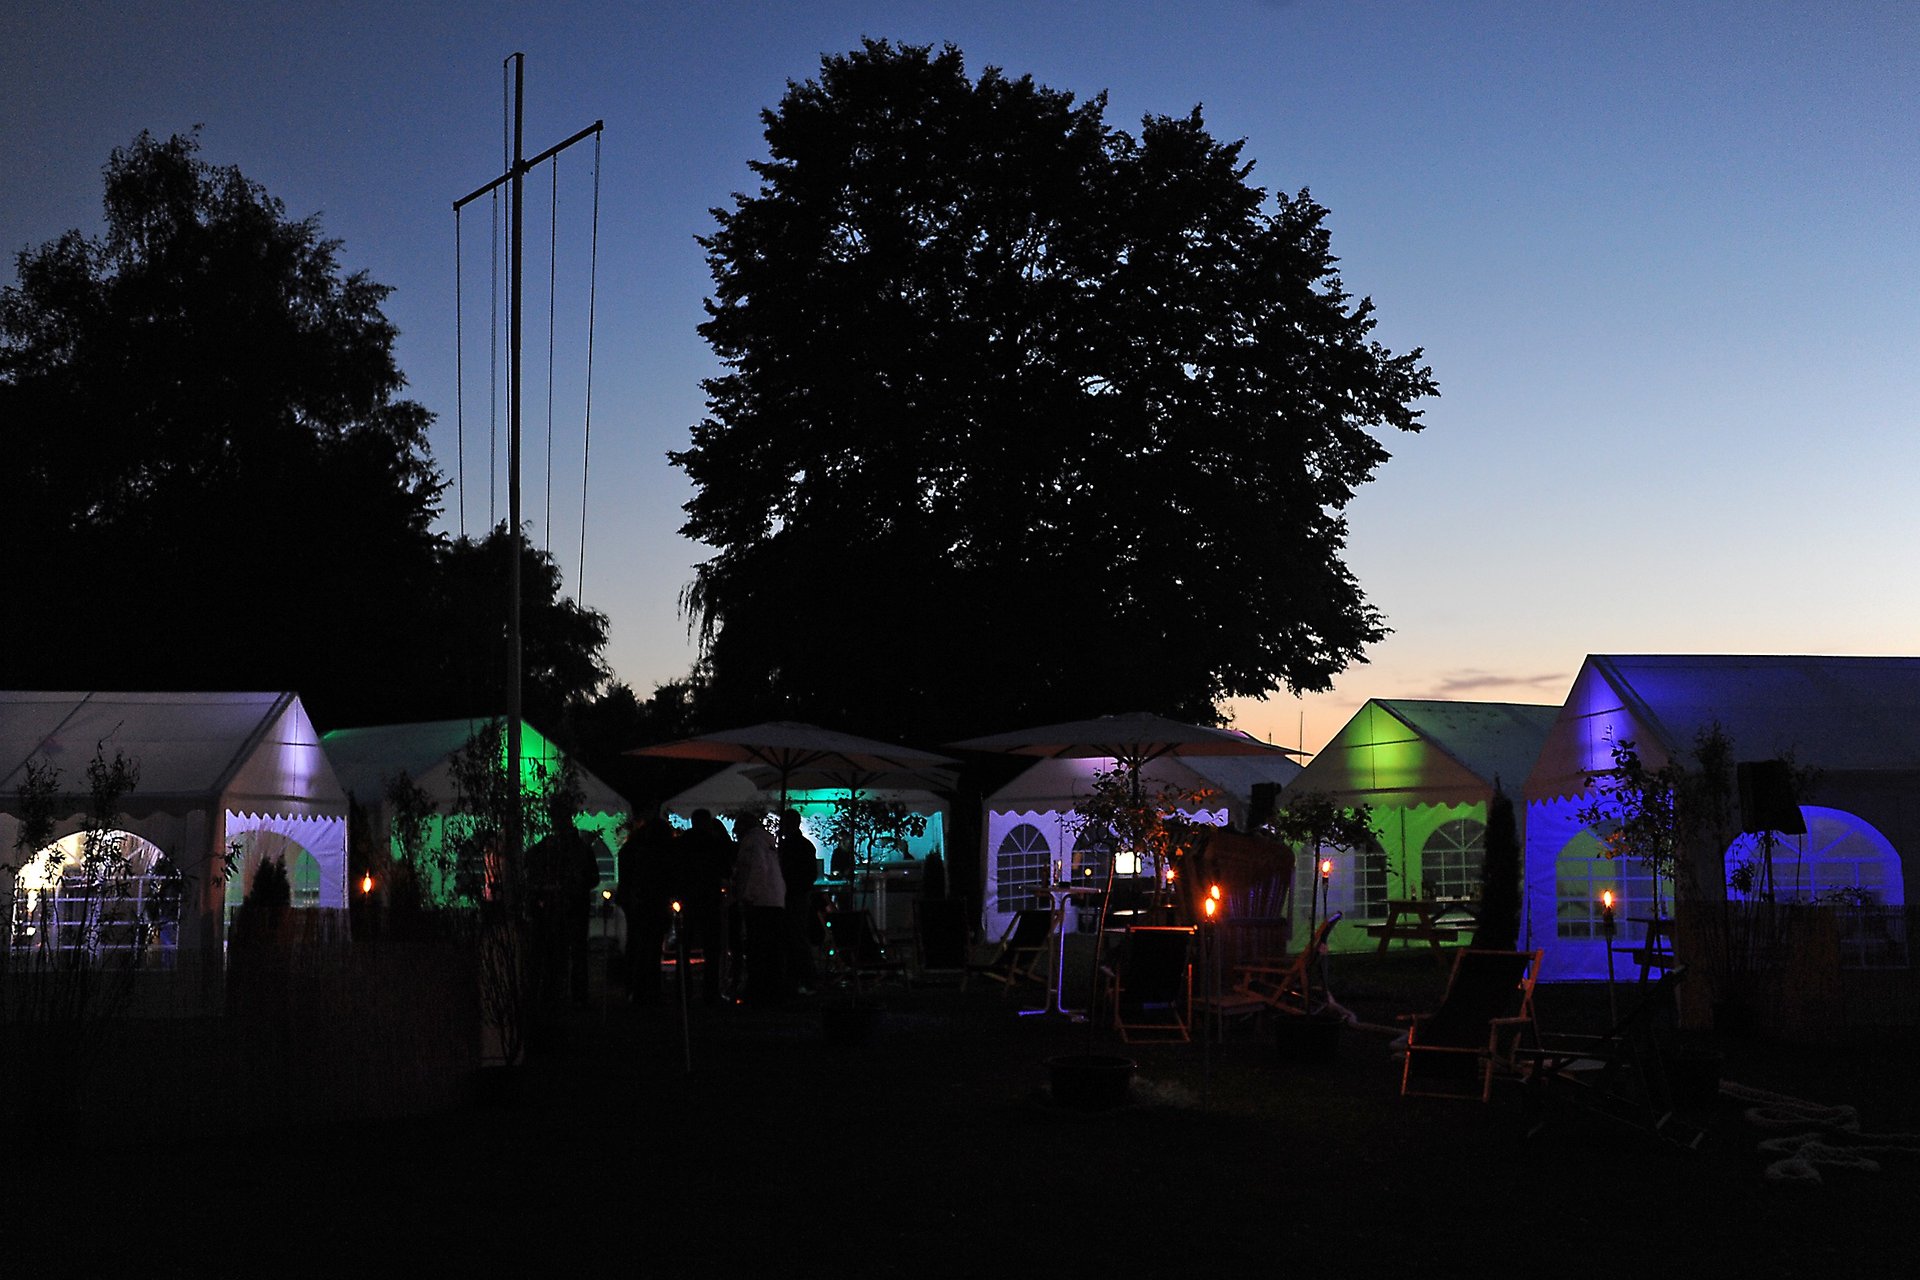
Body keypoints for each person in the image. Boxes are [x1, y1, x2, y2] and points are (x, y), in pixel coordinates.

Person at [616, 811, 677, 1004]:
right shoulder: (657, 853)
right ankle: (649, 988)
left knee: (637, 945)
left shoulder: (631, 850)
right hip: (651, 903)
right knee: (650, 947)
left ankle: (635, 987)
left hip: (638, 902)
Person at [679, 808, 736, 1005]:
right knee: (712, 948)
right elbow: (726, 868)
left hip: (689, 898)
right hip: (710, 899)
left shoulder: (684, 842)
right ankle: (710, 991)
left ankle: (684, 990)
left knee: (684, 947)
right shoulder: (714, 842)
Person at [730, 813, 786, 1005]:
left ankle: (759, 991)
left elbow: (757, 870)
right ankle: (773, 989)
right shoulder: (766, 841)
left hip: (760, 902)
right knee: (771, 950)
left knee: (758, 948)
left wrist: (748, 896)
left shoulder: (752, 843)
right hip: (774, 900)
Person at [777, 809, 821, 996]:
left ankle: (801, 977)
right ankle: (802, 977)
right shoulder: (804, 845)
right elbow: (811, 873)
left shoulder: (790, 847)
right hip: (799, 894)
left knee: (795, 937)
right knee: (797, 937)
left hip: (793, 895)